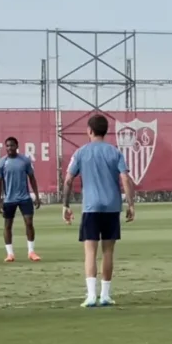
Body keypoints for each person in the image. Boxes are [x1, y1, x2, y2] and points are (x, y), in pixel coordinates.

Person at [62, 114, 135, 307]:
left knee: (90, 252)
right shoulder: (115, 152)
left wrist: (65, 205)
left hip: (91, 207)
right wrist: (130, 204)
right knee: (108, 251)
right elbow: (125, 179)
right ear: (105, 131)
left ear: (89, 131)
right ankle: (105, 295)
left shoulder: (80, 153)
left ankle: (91, 295)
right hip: (111, 207)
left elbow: (68, 179)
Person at [0, 136, 41, 262]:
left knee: (29, 223)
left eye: (12, 145)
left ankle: (31, 252)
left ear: (17, 146)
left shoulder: (25, 160)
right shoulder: (1, 163)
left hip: (24, 197)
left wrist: (36, 196)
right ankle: (10, 254)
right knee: (8, 225)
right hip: (9, 199)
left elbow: (32, 178)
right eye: (8, 146)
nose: (10, 148)